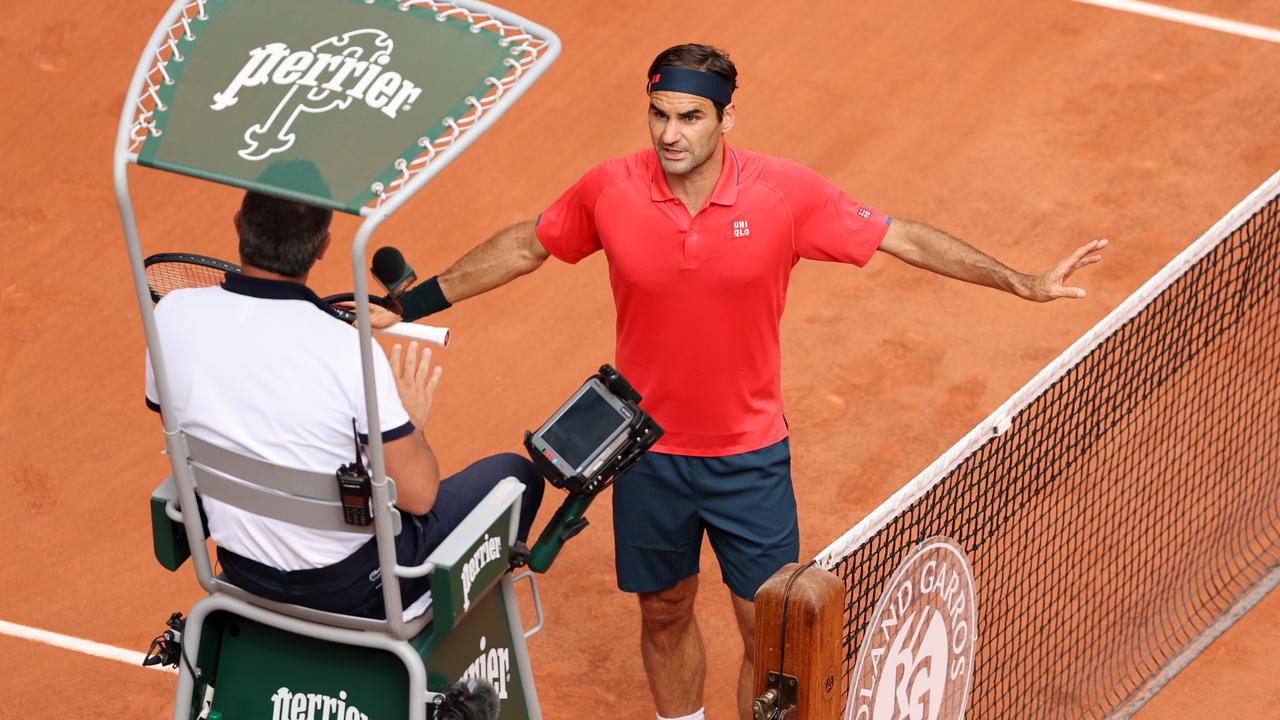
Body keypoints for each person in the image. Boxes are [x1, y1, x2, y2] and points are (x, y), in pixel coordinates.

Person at [371, 44, 1107, 719]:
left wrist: (1023, 283)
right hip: (647, 456)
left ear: (726, 119)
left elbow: (901, 234)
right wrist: (411, 302)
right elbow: (527, 246)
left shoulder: (783, 194)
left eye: (690, 117)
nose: (669, 134)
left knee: (769, 629)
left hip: (748, 457)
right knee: (662, 610)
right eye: (659, 114)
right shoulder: (611, 189)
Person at [144, 190, 544, 621]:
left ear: (239, 223)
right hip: (352, 590)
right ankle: (452, 639)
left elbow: (179, 420)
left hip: (242, 572)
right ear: (323, 246)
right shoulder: (349, 349)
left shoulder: (172, 314)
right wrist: (411, 420)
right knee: (517, 476)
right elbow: (419, 496)